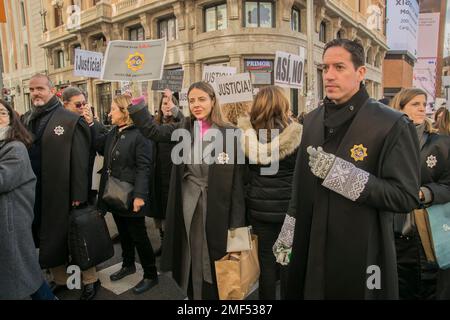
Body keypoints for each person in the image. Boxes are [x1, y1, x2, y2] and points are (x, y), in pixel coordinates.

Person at [283, 39, 420, 299]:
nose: (330, 75)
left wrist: (346, 178)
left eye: (339, 67)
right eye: (325, 68)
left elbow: (406, 196)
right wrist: (289, 231)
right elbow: (298, 187)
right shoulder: (311, 120)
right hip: (311, 249)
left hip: (361, 255)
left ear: (361, 73)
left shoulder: (391, 124)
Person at [128, 81, 246, 300]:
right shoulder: (184, 127)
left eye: (202, 99)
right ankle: (194, 295)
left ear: (213, 101)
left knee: (214, 258)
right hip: (188, 204)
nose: (196, 105)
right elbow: (153, 131)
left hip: (218, 209)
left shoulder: (231, 133)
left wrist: (238, 231)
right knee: (189, 253)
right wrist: (137, 103)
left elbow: (238, 185)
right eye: (192, 100)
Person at [21, 74, 93, 299]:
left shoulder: (70, 119)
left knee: (75, 237)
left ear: (52, 90)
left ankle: (90, 280)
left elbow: (80, 161)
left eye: (40, 88)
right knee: (49, 239)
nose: (35, 93)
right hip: (37, 194)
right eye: (32, 89)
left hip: (66, 193)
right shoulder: (26, 118)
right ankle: (62, 279)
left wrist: (79, 194)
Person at [236, 86, 302, 299]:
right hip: (288, 211)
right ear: (283, 105)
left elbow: (243, 173)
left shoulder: (248, 136)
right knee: (285, 261)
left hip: (259, 209)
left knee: (265, 263)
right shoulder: (296, 134)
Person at [94, 94, 158, 295]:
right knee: (123, 233)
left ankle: (150, 274)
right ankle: (128, 264)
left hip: (130, 195)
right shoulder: (114, 131)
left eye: (113, 109)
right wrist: (90, 122)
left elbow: (144, 167)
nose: (109, 112)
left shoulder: (140, 134)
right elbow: (98, 146)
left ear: (124, 113)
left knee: (139, 236)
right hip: (113, 193)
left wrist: (140, 196)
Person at [390, 88, 450, 299]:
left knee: (427, 289)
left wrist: (425, 193)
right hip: (390, 230)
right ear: (400, 107)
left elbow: (447, 185)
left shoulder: (440, 143)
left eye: (424, 103)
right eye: (415, 104)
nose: (422, 108)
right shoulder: (385, 140)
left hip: (425, 233)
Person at [0, 100, 56, 300]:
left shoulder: (15, 148)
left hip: (11, 225)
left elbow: (2, 180)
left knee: (25, 273)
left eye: (2, 113)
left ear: (12, 119)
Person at [60, 86, 103, 299]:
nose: (83, 108)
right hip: (60, 190)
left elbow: (99, 144)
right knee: (63, 236)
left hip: (83, 190)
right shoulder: (58, 121)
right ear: (65, 104)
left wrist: (92, 122)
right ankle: (69, 278)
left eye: (85, 103)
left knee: (83, 235)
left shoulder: (86, 123)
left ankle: (90, 280)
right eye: (79, 104)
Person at [151, 89, 183, 256]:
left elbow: (188, 122)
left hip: (174, 175)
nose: (167, 106)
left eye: (171, 103)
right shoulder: (154, 124)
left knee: (174, 212)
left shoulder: (181, 123)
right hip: (158, 175)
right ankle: (164, 243)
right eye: (164, 103)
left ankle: (175, 246)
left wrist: (175, 108)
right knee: (160, 213)